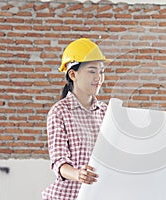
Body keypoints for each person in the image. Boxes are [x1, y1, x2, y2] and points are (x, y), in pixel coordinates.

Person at [42, 38, 110, 200]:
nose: (99, 78)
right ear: (73, 74)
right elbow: (59, 162)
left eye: (101, 72)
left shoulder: (106, 112)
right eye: (92, 71)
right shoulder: (59, 112)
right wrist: (78, 174)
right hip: (67, 196)